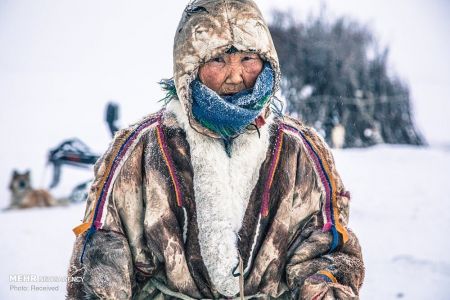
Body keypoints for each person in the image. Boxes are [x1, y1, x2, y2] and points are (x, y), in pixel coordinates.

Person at [67, 0, 364, 299]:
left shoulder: (299, 150)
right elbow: (102, 253)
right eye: (219, 59)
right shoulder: (141, 149)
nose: (235, 76)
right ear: (189, 66)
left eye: (248, 58)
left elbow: (328, 250)